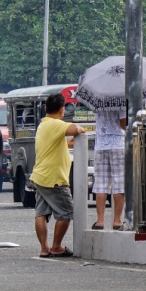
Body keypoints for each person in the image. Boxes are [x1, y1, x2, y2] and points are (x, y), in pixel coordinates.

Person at [30, 93, 86, 258]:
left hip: (40, 175)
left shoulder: (44, 124)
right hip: (53, 178)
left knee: (41, 213)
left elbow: (55, 143)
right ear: (62, 110)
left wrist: (68, 143)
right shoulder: (55, 124)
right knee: (66, 212)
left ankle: (44, 248)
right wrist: (82, 131)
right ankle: (56, 247)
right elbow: (76, 129)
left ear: (46, 108)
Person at [92, 107, 127, 230]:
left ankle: (100, 221)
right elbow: (123, 124)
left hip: (100, 145)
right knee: (118, 182)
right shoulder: (120, 101)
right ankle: (117, 221)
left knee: (100, 183)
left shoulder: (98, 101)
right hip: (118, 144)